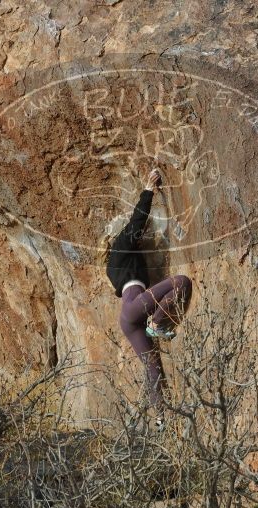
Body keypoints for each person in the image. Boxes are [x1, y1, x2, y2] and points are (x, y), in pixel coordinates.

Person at [104, 167, 193, 430]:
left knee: (153, 366)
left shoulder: (114, 265)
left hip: (129, 318)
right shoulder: (121, 245)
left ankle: (160, 418)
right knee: (182, 282)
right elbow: (136, 222)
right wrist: (147, 190)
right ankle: (157, 323)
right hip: (135, 310)